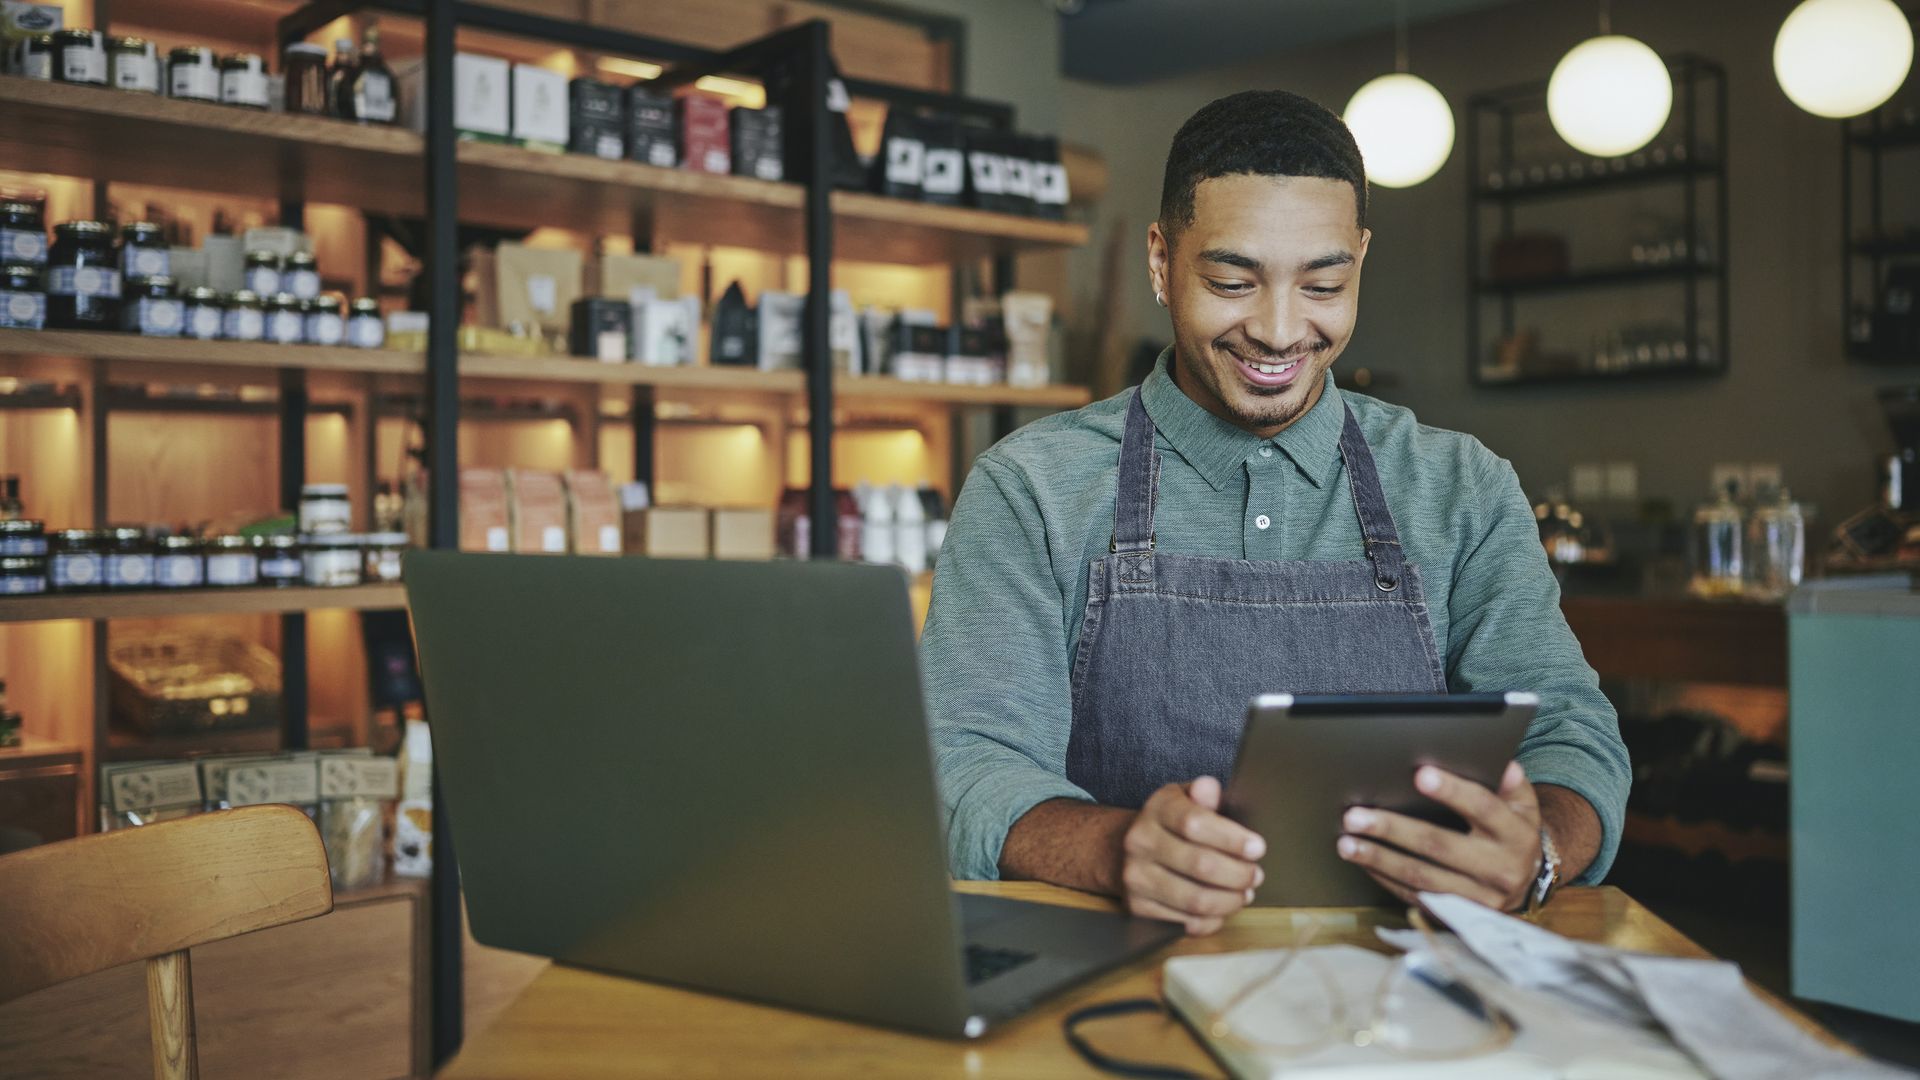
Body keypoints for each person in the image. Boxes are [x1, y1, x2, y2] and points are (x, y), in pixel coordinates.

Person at [920, 89, 1630, 934]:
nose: (1281, 330)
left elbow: (1571, 734)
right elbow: (963, 763)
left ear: (1361, 260)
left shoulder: (1461, 486)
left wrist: (1537, 849)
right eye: (1231, 280)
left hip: (1402, 1002)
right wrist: (1113, 849)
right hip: (1115, 983)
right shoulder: (1030, 489)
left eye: (1324, 283)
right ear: (1160, 260)